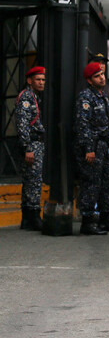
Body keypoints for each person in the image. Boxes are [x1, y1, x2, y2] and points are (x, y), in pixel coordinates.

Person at [74, 62, 109, 235]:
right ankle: (87, 221)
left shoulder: (103, 96)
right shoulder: (86, 97)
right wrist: (89, 148)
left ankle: (105, 219)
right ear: (89, 80)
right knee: (91, 183)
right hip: (92, 146)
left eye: (102, 74)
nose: (102, 77)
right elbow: (83, 125)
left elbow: (106, 124)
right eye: (97, 76)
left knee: (107, 181)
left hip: (103, 145)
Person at [15, 66, 47, 230]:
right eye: (38, 79)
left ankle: (27, 218)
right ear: (29, 81)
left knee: (30, 180)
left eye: (43, 80)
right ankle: (33, 217)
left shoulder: (34, 96)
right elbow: (23, 125)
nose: (41, 82)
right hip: (32, 144)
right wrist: (28, 147)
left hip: (35, 143)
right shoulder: (27, 97)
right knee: (33, 181)